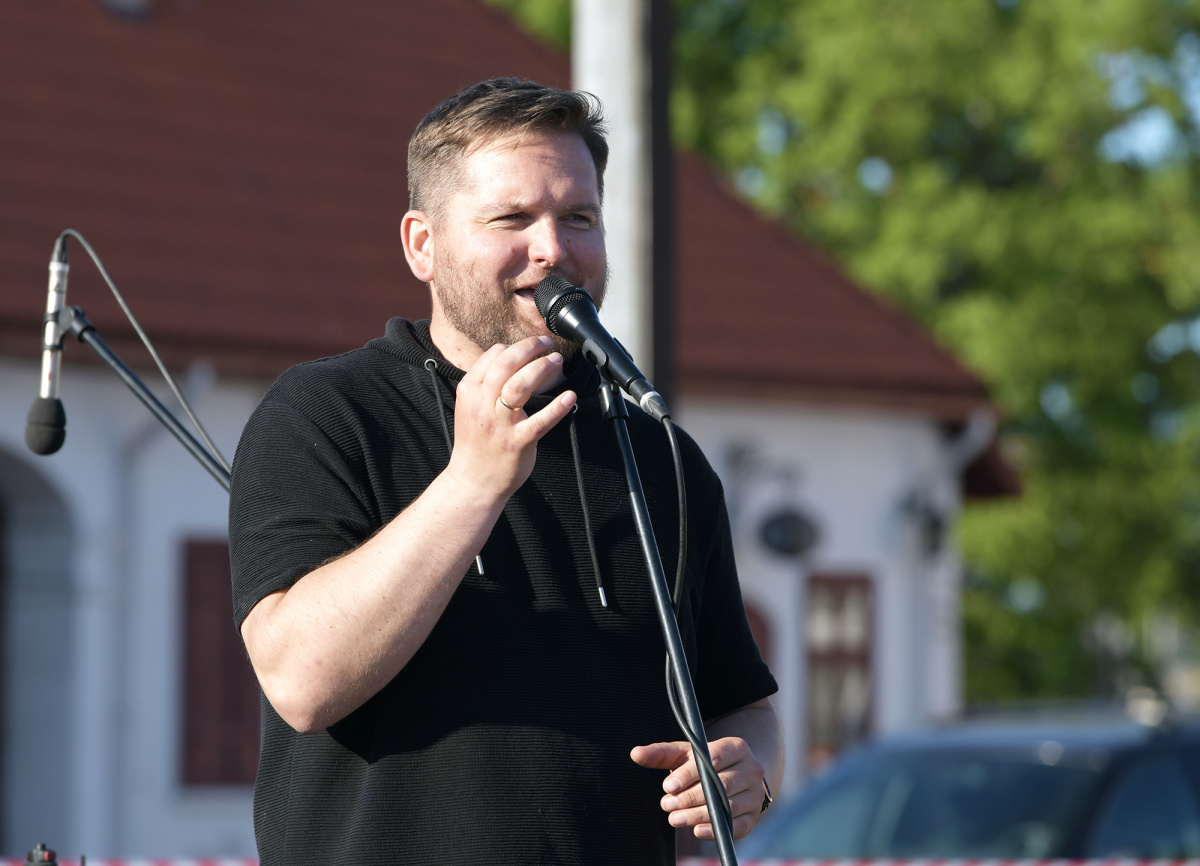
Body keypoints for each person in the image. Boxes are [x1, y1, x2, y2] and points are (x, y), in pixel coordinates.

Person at [229, 77, 782, 866]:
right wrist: (471, 484)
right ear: (422, 245)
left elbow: (741, 702)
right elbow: (301, 682)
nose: (553, 248)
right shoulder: (326, 414)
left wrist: (747, 772)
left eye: (579, 217)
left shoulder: (657, 450)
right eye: (512, 218)